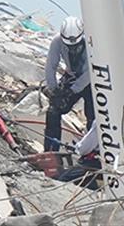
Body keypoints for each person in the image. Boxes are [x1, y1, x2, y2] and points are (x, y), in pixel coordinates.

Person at [43, 16, 96, 152]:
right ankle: (51, 151)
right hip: (71, 77)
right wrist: (54, 90)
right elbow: (50, 66)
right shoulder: (57, 41)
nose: (72, 49)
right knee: (53, 111)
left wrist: (73, 90)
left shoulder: (91, 44)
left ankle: (91, 153)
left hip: (90, 82)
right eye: (68, 46)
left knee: (93, 116)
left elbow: (90, 72)